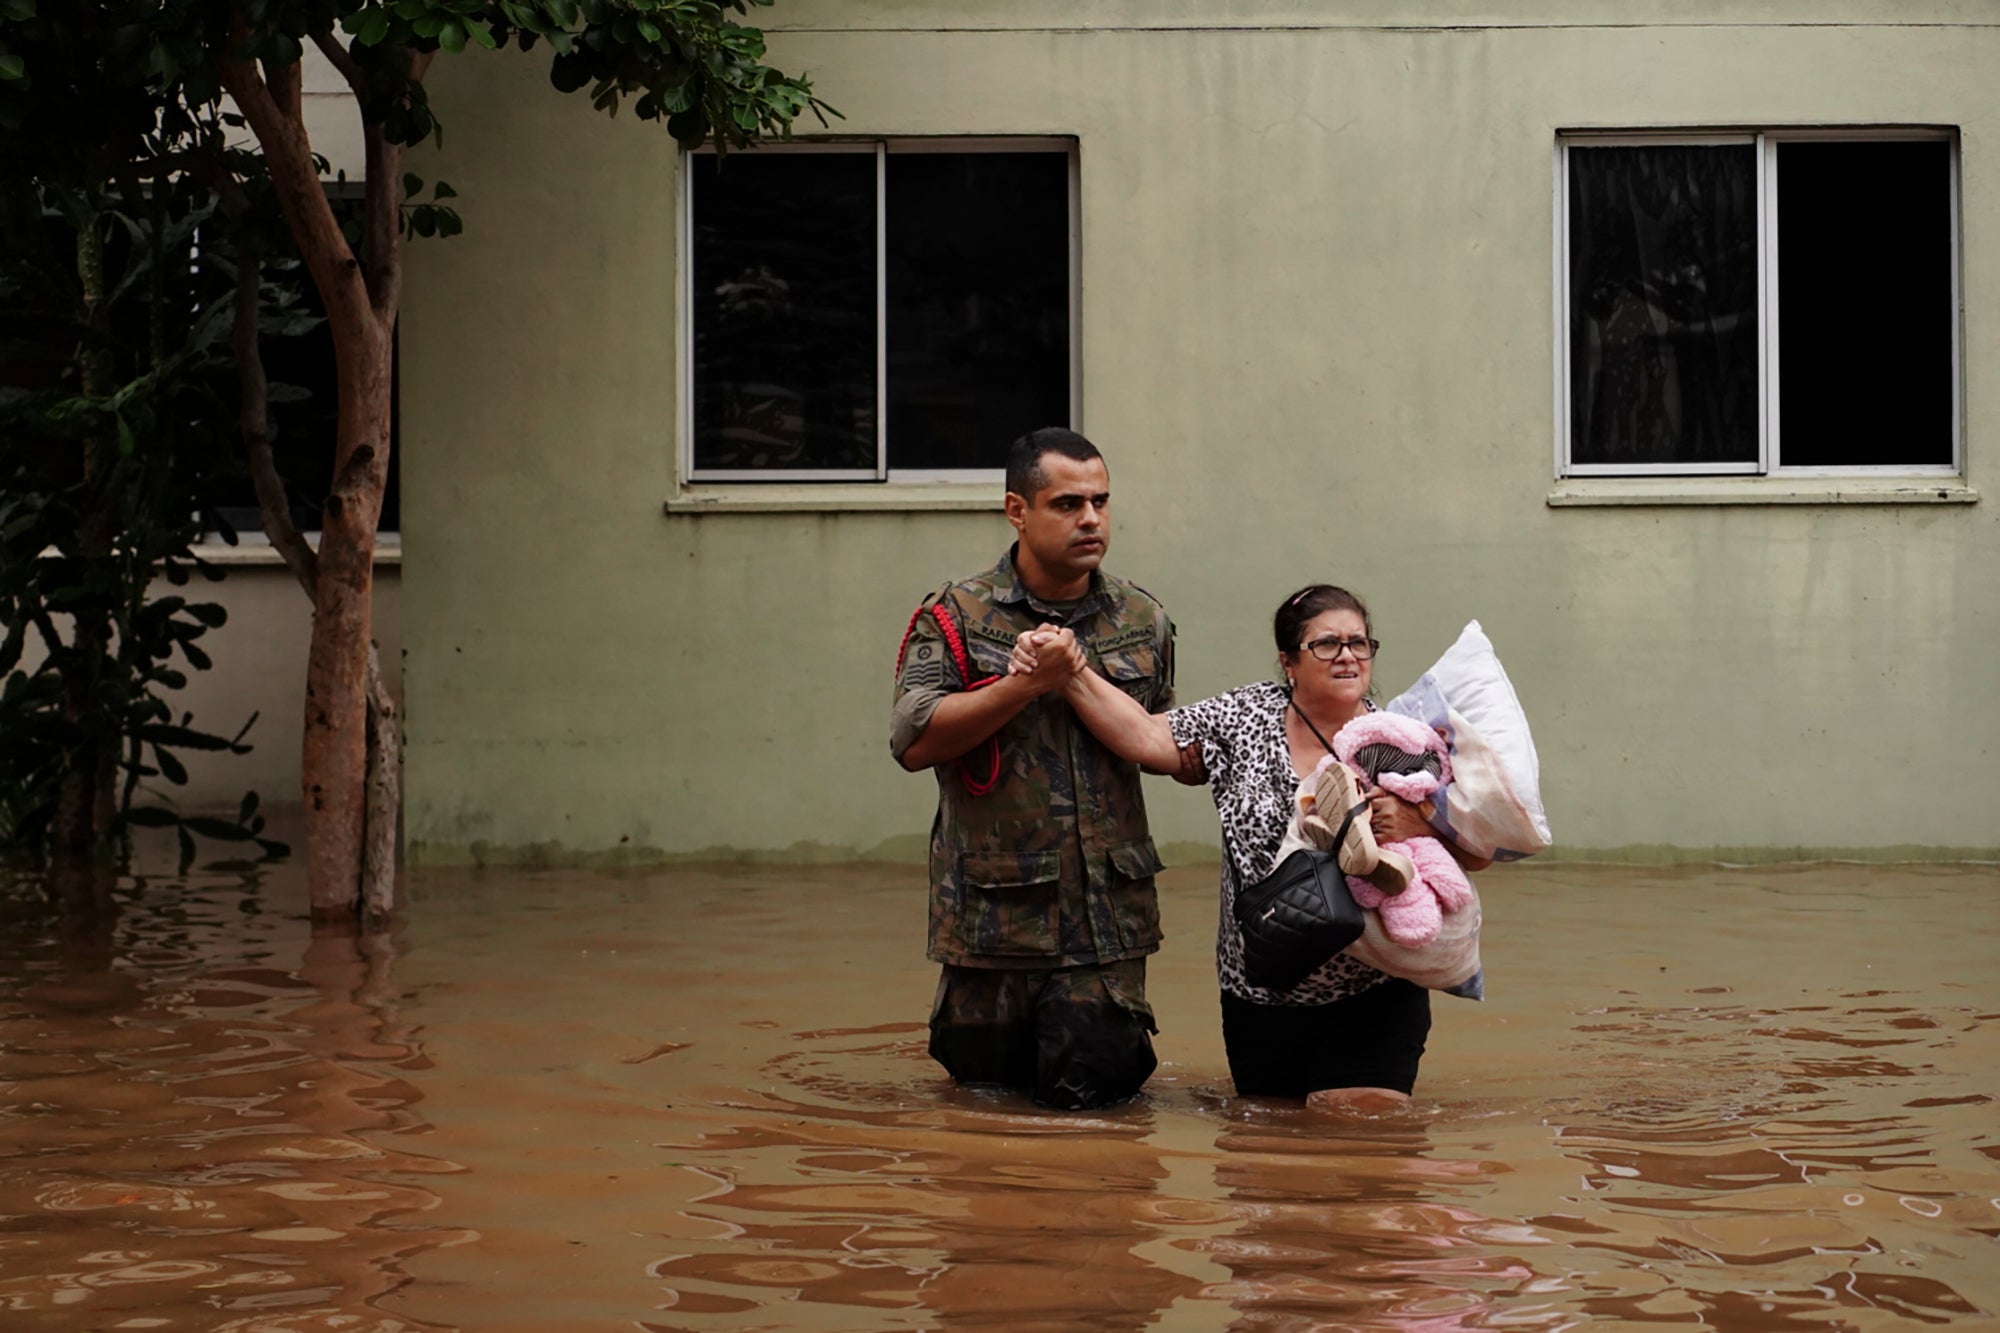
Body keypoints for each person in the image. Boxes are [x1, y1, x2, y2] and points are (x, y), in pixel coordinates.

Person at [1012, 584, 1491, 1112]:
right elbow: (1147, 737)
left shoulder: (1401, 738)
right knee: (1268, 1145)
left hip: (1373, 990)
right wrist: (1071, 672)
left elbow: (1482, 850)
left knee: (1361, 1133)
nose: (1348, 656)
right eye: (1326, 644)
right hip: (1260, 987)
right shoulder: (1245, 716)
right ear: (1288, 661)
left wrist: (1418, 825)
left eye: (1359, 643)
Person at [889, 427, 1182, 1111]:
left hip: (1105, 929)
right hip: (992, 923)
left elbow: (1164, 743)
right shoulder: (956, 616)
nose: (1091, 519)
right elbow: (912, 741)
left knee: (1100, 1118)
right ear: (1017, 510)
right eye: (1068, 504)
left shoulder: (1142, 618)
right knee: (981, 1117)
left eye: (1100, 502)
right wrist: (1022, 686)